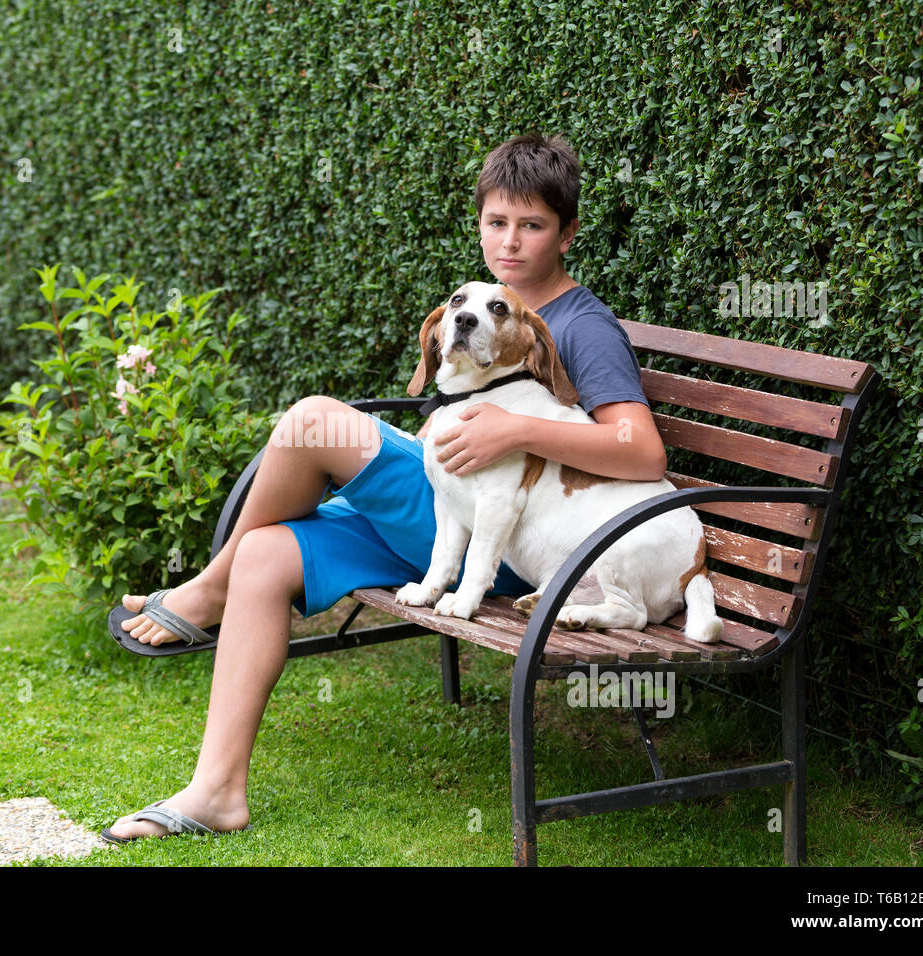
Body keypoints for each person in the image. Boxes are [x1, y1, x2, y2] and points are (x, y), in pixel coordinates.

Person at [104, 133, 666, 841]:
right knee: (265, 555)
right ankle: (216, 790)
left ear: (568, 233)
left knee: (314, 420)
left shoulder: (581, 327)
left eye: (533, 226)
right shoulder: (480, 306)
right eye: (497, 222)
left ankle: (204, 589)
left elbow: (641, 451)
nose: (511, 242)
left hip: (497, 548)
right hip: (439, 515)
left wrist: (513, 431)